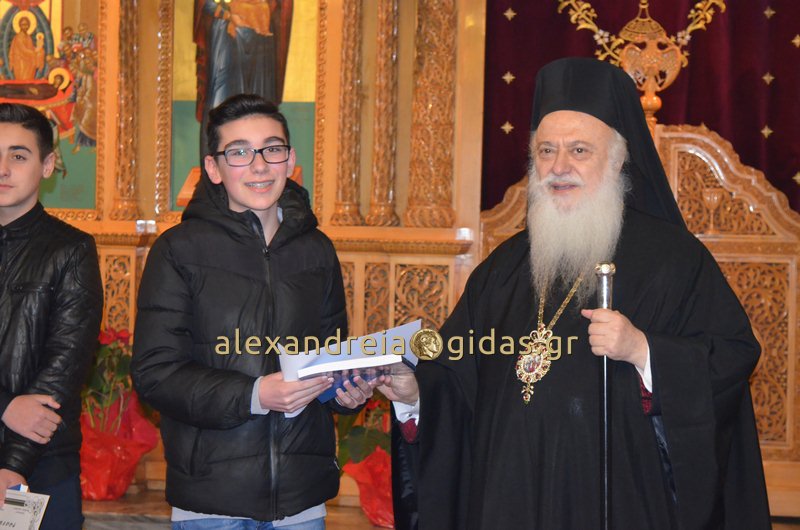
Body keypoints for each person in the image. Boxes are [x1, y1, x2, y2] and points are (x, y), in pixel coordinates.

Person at [380, 57, 770, 530]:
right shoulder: (501, 270)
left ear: (618, 159)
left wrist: (643, 350)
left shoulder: (674, 259)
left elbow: (731, 356)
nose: (559, 167)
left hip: (620, 504)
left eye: (579, 150)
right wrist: (415, 392)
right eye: (546, 150)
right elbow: (457, 380)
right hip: (508, 502)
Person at [132, 94, 374, 529]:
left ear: (290, 160)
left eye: (271, 149)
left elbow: (329, 355)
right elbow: (155, 374)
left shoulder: (317, 250)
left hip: (301, 500)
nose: (259, 166)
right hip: (211, 501)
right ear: (214, 168)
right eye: (239, 152)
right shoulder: (178, 250)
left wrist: (345, 393)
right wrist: (255, 395)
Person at [0, 103, 103, 529]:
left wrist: (13, 465)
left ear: (46, 166)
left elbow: (65, 364)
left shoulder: (71, 250)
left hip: (41, 460)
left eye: (18, 155)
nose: (3, 169)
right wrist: (5, 406)